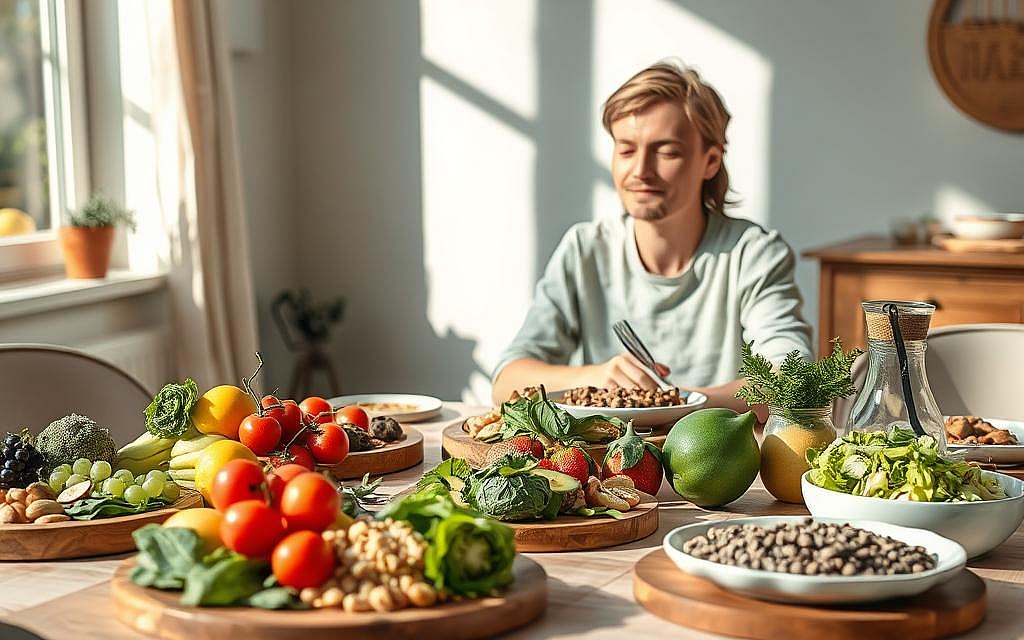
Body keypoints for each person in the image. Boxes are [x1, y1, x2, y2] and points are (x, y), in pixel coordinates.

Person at [491, 61, 813, 412]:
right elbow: (507, 381)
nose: (641, 171)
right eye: (626, 149)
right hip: (604, 462)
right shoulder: (585, 249)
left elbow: (791, 381)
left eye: (666, 151)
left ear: (711, 161)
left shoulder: (754, 255)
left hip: (717, 461)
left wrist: (668, 402)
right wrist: (597, 378)